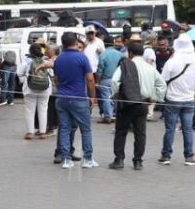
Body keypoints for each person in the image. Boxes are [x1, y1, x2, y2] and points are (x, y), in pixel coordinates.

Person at [110, 40, 166, 170]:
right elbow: (162, 84)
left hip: (127, 102)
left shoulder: (125, 65)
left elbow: (114, 81)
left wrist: (115, 95)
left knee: (121, 132)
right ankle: (138, 161)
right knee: (140, 133)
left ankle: (119, 160)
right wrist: (155, 98)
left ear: (130, 53)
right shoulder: (150, 67)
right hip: (143, 102)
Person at [53, 32, 98, 170]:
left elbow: (56, 79)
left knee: (65, 129)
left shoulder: (59, 59)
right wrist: (93, 96)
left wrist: (62, 89)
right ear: (75, 42)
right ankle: (88, 159)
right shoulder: (82, 57)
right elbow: (90, 79)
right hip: (78, 97)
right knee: (85, 129)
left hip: (62, 98)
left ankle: (66, 159)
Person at [158, 34, 195, 166]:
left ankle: (166, 155)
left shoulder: (171, 62)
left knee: (170, 129)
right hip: (189, 98)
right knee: (188, 129)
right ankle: (189, 156)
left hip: (172, 98)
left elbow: (163, 79)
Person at [19, 43, 53, 141]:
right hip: (45, 88)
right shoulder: (46, 61)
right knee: (43, 109)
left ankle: (30, 132)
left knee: (30, 111)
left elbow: (19, 74)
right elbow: (51, 74)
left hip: (30, 89)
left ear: (30, 51)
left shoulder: (26, 61)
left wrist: (24, 80)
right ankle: (42, 132)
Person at [96, 36, 124, 124]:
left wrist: (97, 81)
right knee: (116, 97)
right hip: (117, 79)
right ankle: (115, 115)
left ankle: (108, 116)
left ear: (104, 44)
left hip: (106, 79)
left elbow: (100, 70)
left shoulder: (103, 54)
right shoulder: (120, 54)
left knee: (106, 98)